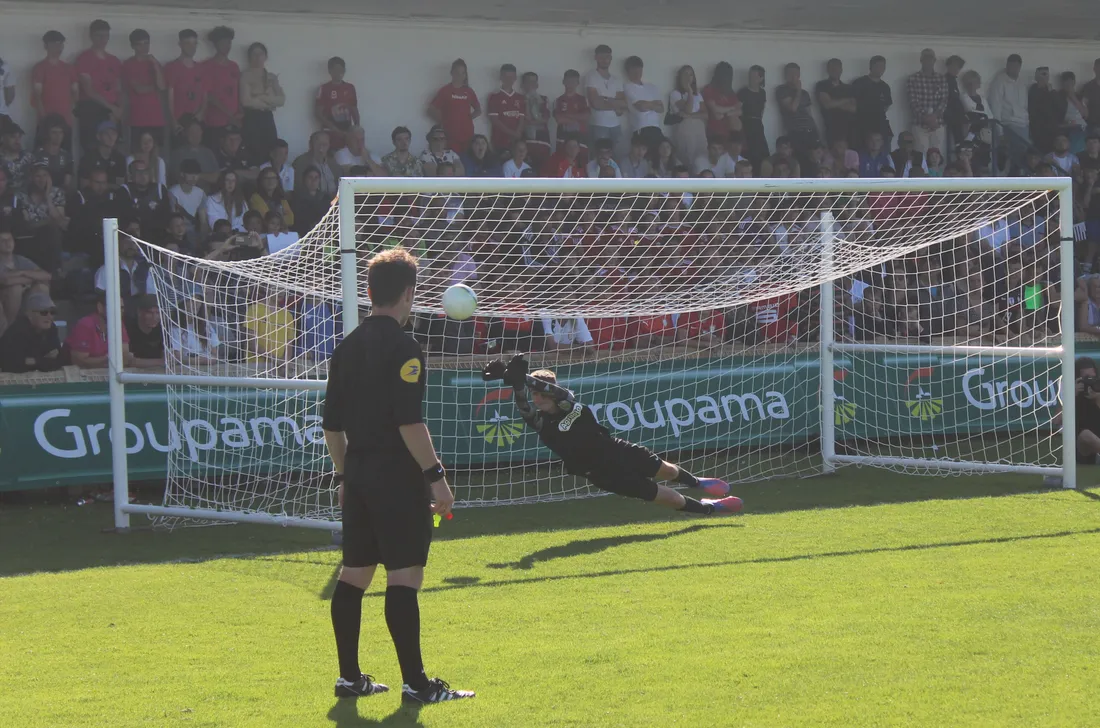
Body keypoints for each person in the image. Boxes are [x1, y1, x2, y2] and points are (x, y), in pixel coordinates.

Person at [321, 247, 473, 704]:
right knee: (404, 576)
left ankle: (350, 679)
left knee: (354, 575)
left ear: (368, 292)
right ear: (409, 293)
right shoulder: (405, 347)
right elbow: (410, 422)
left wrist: (346, 477)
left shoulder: (346, 346)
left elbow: (331, 425)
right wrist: (437, 478)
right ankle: (417, 685)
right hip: (395, 479)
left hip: (361, 475)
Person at [483, 355, 742, 514]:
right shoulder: (540, 421)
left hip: (617, 450)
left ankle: (696, 482)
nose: (536, 399)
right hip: (600, 473)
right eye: (534, 395)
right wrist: (515, 382)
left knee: (666, 470)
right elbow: (524, 407)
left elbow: (562, 396)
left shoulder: (570, 403)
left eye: (540, 394)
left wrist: (522, 376)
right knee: (663, 496)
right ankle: (711, 508)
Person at [74, 20, 123, 152]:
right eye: (98, 35)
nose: (103, 39)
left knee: (114, 150)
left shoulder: (114, 61)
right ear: (91, 36)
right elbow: (89, 90)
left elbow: (118, 89)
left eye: (106, 35)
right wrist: (111, 107)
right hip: (91, 110)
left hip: (112, 111)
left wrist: (119, 109)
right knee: (92, 150)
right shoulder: (84, 58)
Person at [239, 42, 285, 167]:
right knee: (254, 151)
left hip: (267, 118)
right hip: (252, 117)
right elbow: (246, 101)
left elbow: (281, 100)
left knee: (271, 150)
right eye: (254, 54)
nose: (258, 57)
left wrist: (261, 97)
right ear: (249, 57)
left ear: (265, 56)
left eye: (261, 54)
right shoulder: (246, 75)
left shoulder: (271, 77)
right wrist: (269, 101)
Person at [0, 229, 51, 335]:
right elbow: (5, 280)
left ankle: (38, 327)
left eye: (9, 239)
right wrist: (29, 277)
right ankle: (9, 331)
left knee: (42, 287)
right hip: (5, 302)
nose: (7, 243)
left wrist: (21, 272)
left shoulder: (20, 260)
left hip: (23, 302)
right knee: (16, 288)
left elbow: (46, 275)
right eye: (3, 241)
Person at [66, 290, 134, 369]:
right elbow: (78, 361)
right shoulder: (85, 325)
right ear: (100, 307)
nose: (119, 312)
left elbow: (124, 356)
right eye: (115, 307)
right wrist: (108, 360)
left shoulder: (118, 323)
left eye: (121, 308)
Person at [31, 31, 78, 142]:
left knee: (65, 156)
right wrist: (44, 120)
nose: (58, 47)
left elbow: (75, 92)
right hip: (46, 122)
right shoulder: (40, 68)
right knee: (42, 156)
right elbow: (37, 96)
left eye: (60, 44)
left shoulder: (69, 68)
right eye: (54, 44)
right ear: (46, 46)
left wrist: (71, 113)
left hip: (65, 122)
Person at [122, 29, 167, 147]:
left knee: (157, 155)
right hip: (137, 118)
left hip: (156, 119)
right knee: (138, 155)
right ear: (133, 46)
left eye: (146, 43)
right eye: (139, 44)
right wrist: (155, 87)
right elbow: (139, 90)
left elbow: (162, 86)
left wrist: (155, 65)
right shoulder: (128, 64)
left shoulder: (154, 63)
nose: (144, 47)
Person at [0, 290, 63, 372]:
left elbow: (59, 360)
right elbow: (12, 364)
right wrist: (41, 360)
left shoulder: (51, 328)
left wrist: (33, 361)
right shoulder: (17, 331)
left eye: (52, 312)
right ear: (29, 314)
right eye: (44, 312)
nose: (49, 317)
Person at [988, 54, 1031, 169]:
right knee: (1014, 154)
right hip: (1008, 124)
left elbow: (1025, 106)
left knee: (1024, 154)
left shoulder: (1022, 83)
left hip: (1023, 124)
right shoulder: (999, 81)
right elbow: (995, 106)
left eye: (1016, 66)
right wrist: (1000, 131)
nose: (1013, 69)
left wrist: (1027, 123)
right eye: (1010, 66)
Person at [428, 59, 479, 154]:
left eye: (463, 73)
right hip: (451, 135)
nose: (460, 76)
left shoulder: (469, 91)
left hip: (467, 134)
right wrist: (442, 122)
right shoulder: (445, 90)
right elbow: (431, 110)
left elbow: (478, 110)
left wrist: (467, 118)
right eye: (457, 72)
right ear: (452, 73)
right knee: (452, 162)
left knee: (466, 161)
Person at [202, 26, 241, 148]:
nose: (227, 46)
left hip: (234, 122)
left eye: (229, 42)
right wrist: (230, 115)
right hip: (215, 121)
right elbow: (208, 96)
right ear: (216, 44)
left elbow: (238, 92)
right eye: (223, 42)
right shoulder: (206, 66)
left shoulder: (234, 66)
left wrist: (239, 113)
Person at [584, 44, 627, 152]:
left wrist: (605, 100)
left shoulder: (617, 79)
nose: (605, 60)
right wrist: (614, 103)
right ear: (596, 58)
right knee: (599, 157)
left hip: (616, 125)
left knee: (617, 156)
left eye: (607, 57)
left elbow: (623, 105)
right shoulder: (591, 76)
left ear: (611, 58)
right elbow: (596, 103)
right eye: (601, 57)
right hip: (598, 124)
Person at [164, 29, 207, 132]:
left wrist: (201, 113)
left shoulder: (201, 68)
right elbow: (169, 98)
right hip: (179, 121)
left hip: (197, 119)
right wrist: (173, 121)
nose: (192, 47)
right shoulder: (171, 68)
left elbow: (205, 94)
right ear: (180, 44)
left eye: (194, 43)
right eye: (187, 43)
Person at [906, 48, 947, 154]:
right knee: (921, 157)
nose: (928, 61)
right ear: (921, 60)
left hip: (938, 125)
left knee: (938, 157)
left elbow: (944, 100)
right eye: (925, 59)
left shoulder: (941, 79)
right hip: (920, 125)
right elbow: (913, 102)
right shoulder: (913, 79)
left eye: (930, 59)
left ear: (934, 60)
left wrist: (934, 118)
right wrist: (927, 119)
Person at [666, 65, 707, 169]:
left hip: (699, 130)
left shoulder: (698, 94)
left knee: (701, 158)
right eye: (685, 74)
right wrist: (689, 92)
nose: (688, 77)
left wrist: (689, 116)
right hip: (685, 130)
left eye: (691, 74)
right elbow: (687, 108)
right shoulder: (675, 94)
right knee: (687, 159)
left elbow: (705, 114)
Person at [316, 56, 360, 150]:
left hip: (347, 132)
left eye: (342, 69)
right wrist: (334, 129)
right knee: (332, 157)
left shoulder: (350, 88)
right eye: (336, 69)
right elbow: (318, 113)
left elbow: (354, 109)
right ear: (330, 71)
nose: (339, 72)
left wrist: (357, 128)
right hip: (330, 132)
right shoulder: (324, 88)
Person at [775, 62, 819, 154]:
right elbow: (792, 108)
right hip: (795, 132)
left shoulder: (805, 93)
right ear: (785, 75)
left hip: (810, 131)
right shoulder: (782, 90)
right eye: (790, 74)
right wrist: (798, 91)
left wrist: (816, 130)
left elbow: (809, 113)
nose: (793, 76)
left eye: (795, 74)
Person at [851, 55, 893, 150]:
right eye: (878, 66)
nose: (880, 69)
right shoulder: (859, 83)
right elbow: (852, 104)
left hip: (881, 125)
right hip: (862, 126)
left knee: (884, 152)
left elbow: (886, 106)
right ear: (871, 67)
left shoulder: (885, 87)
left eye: (883, 66)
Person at [622, 56, 663, 150]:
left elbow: (661, 109)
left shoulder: (651, 87)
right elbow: (641, 107)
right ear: (627, 71)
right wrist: (653, 104)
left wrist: (647, 104)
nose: (637, 73)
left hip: (656, 128)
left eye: (639, 70)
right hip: (640, 129)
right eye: (633, 70)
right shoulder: (627, 87)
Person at [487, 64, 525, 160]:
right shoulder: (494, 97)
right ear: (501, 77)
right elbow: (495, 121)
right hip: (499, 141)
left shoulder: (520, 98)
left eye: (511, 77)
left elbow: (521, 119)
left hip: (516, 143)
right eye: (506, 76)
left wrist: (518, 133)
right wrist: (513, 133)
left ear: (515, 78)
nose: (509, 80)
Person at [816, 58, 856, 146]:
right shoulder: (822, 85)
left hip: (850, 129)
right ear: (827, 70)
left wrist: (834, 102)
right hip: (832, 129)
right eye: (832, 68)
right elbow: (827, 104)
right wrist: (846, 100)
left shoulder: (848, 88)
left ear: (841, 69)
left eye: (837, 68)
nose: (835, 70)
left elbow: (854, 108)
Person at [553, 70, 590, 165]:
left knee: (581, 165)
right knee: (562, 164)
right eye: (568, 81)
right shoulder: (558, 100)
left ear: (577, 83)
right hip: (563, 138)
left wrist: (566, 115)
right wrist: (578, 117)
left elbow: (586, 117)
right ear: (563, 81)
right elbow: (559, 120)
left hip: (581, 137)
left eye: (573, 81)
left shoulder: (583, 100)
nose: (570, 84)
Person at [77, 120, 126, 189]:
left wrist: (99, 185)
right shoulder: (88, 158)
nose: (111, 137)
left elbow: (120, 185)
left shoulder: (120, 158)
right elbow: (84, 185)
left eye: (113, 134)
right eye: (106, 134)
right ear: (98, 136)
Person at [737, 65, 769, 170]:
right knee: (749, 154)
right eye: (750, 76)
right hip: (746, 125)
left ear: (761, 78)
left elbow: (762, 110)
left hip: (758, 125)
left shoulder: (762, 93)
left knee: (763, 155)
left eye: (754, 76)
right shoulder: (743, 92)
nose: (751, 79)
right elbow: (737, 109)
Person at [199, 169, 247, 235]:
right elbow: (214, 224)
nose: (230, 183)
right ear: (222, 182)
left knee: (252, 241)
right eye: (227, 180)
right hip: (221, 237)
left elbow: (246, 222)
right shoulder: (211, 200)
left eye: (233, 181)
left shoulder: (241, 201)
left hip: (238, 236)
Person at [1072, 357, 1100, 466]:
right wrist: (1072, 395)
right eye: (1086, 378)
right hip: (1084, 448)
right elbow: (1056, 421)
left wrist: (1097, 397)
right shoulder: (1071, 391)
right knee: (1085, 434)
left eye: (1092, 378)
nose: (1089, 382)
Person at [125, 293, 165, 368]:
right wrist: (160, 361)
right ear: (139, 312)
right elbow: (129, 361)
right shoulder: (128, 328)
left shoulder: (162, 329)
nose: (155, 317)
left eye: (158, 313)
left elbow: (171, 357)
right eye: (150, 313)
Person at [32, 117, 72, 190]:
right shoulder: (36, 155)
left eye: (61, 132)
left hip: (60, 195)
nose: (58, 136)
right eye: (54, 132)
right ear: (46, 134)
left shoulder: (67, 156)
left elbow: (67, 184)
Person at [294, 130, 340, 194]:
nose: (321, 149)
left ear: (329, 145)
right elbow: (299, 188)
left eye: (324, 145)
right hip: (313, 201)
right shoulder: (301, 162)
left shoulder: (333, 163)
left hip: (335, 201)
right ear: (310, 145)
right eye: (318, 145)